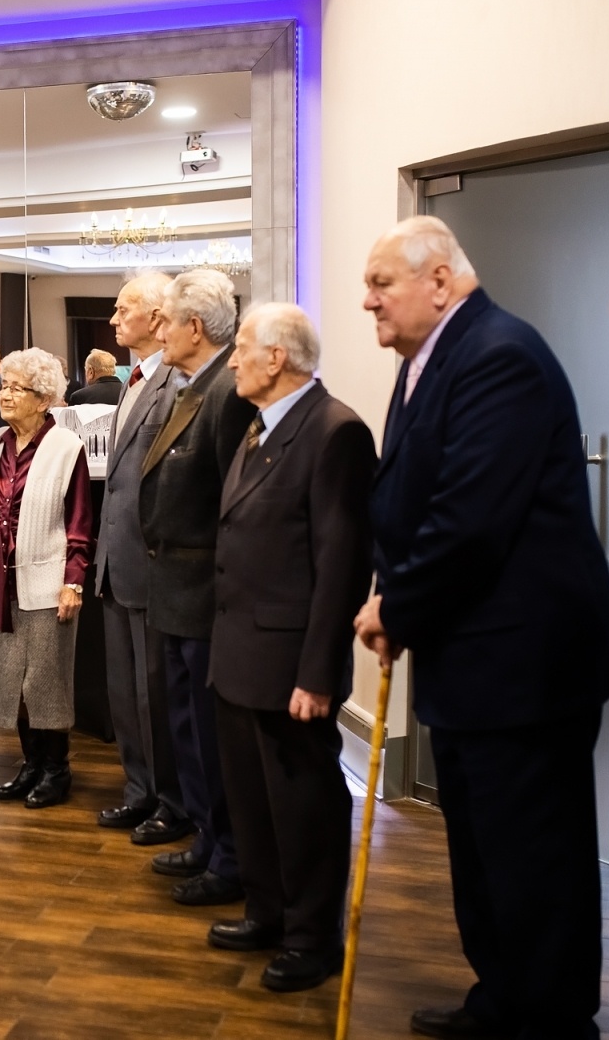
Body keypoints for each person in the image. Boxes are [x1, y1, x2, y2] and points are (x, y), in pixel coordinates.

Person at [353, 216, 609, 1039]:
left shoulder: (500, 355)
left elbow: (470, 521)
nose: (367, 302)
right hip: (471, 663)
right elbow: (407, 504)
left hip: (525, 670)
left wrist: (396, 606)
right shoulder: (426, 362)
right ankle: (502, 998)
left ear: (440, 280)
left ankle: (548, 1017)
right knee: (483, 855)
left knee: (533, 862)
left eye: (381, 284)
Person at [208, 303, 375, 993]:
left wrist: (318, 673)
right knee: (252, 801)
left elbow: (341, 566)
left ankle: (312, 938)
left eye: (242, 347)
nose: (234, 359)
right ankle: (268, 911)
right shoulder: (258, 427)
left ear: (277, 358)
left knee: (303, 805)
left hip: (290, 666)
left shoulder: (335, 432)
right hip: (240, 656)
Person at [140, 268, 256, 907]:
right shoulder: (193, 388)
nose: (159, 331)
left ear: (193, 326)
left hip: (202, 587)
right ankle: (210, 840)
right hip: (175, 585)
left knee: (209, 735)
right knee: (186, 727)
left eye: (166, 320)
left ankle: (230, 857)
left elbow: (229, 499)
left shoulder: (226, 392)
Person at [93, 273, 190, 846]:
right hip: (117, 560)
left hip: (152, 564)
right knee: (124, 693)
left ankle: (172, 803)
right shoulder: (132, 381)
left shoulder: (177, 384)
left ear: (157, 318)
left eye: (123, 309)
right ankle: (139, 791)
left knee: (157, 694)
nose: (113, 319)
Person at [0, 347, 93, 810]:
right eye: (3, 385)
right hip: (0, 582)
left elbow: (81, 522)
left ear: (43, 398)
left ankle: (56, 768)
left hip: (47, 581)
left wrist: (74, 580)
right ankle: (29, 763)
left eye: (15, 388)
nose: (4, 394)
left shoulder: (67, 448)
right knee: (12, 681)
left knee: (46, 681)